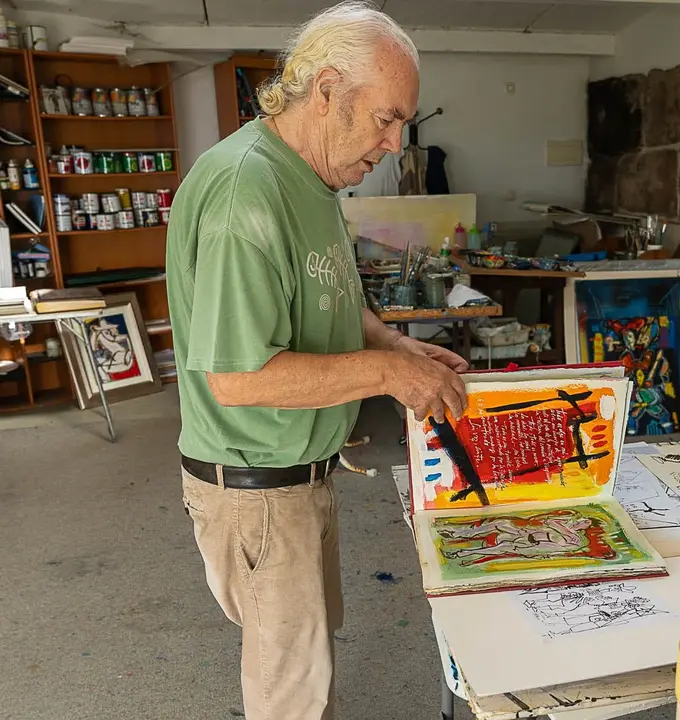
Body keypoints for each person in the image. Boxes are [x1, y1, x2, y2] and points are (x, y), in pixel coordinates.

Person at [164, 3, 468, 718]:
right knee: (290, 694)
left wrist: (390, 343)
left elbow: (333, 293)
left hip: (301, 473)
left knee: (307, 656)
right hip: (257, 488)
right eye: (386, 119)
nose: (395, 144)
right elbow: (238, 379)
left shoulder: (316, 180)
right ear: (327, 90)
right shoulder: (249, 190)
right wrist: (392, 375)